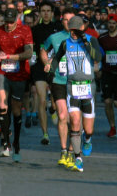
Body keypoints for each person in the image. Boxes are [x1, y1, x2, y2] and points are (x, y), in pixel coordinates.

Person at [49, 16, 102, 173]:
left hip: (88, 87)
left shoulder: (92, 40)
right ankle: (77, 158)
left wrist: (85, 42)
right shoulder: (66, 43)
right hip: (72, 87)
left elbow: (97, 57)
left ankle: (88, 139)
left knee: (88, 129)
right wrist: (51, 72)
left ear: (82, 29)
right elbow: (57, 58)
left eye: (76, 31)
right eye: (71, 31)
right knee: (75, 121)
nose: (73, 34)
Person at [0, 7, 33, 162]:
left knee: (16, 108)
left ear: (17, 19)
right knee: (2, 104)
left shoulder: (25, 30)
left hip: (20, 74)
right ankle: (6, 143)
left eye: (11, 22)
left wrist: (11, 56)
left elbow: (29, 53)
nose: (8, 25)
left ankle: (17, 143)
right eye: (6, 22)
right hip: (3, 72)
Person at [42, 10, 73, 167]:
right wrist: (47, 62)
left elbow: (95, 56)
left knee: (74, 119)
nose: (68, 22)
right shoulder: (54, 38)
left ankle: (73, 149)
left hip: (77, 84)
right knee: (62, 116)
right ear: (62, 21)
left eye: (71, 20)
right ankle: (63, 150)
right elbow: (43, 49)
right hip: (59, 80)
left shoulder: (83, 39)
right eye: (66, 20)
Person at [31, 2, 59, 144]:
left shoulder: (58, 29)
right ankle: (45, 134)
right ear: (40, 13)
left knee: (54, 100)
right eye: (43, 11)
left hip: (56, 67)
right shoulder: (35, 30)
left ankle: (53, 109)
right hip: (39, 67)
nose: (46, 13)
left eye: (49, 10)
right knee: (42, 99)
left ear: (52, 13)